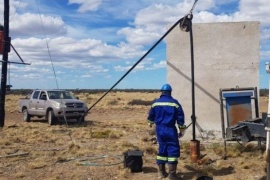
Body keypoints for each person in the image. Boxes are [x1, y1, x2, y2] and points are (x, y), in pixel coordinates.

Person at [147, 84, 185, 180]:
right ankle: (172, 175)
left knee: (162, 148)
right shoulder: (175, 103)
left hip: (159, 129)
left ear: (162, 92)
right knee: (173, 149)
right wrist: (182, 130)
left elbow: (151, 115)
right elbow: (180, 117)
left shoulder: (156, 103)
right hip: (170, 129)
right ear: (170, 92)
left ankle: (161, 173)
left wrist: (150, 123)